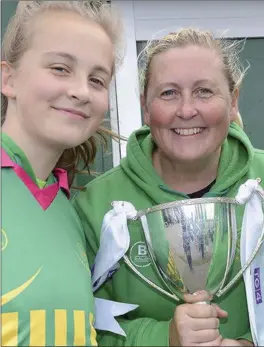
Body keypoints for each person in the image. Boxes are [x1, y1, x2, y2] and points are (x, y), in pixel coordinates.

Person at [73, 28, 264, 346]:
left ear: (233, 102)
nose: (187, 110)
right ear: (145, 108)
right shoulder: (97, 206)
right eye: (168, 93)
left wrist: (250, 341)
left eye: (204, 91)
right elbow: (82, 325)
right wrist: (163, 338)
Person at [1, 1, 123, 346]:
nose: (81, 91)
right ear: (8, 78)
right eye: (60, 68)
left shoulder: (69, 209)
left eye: (97, 79)